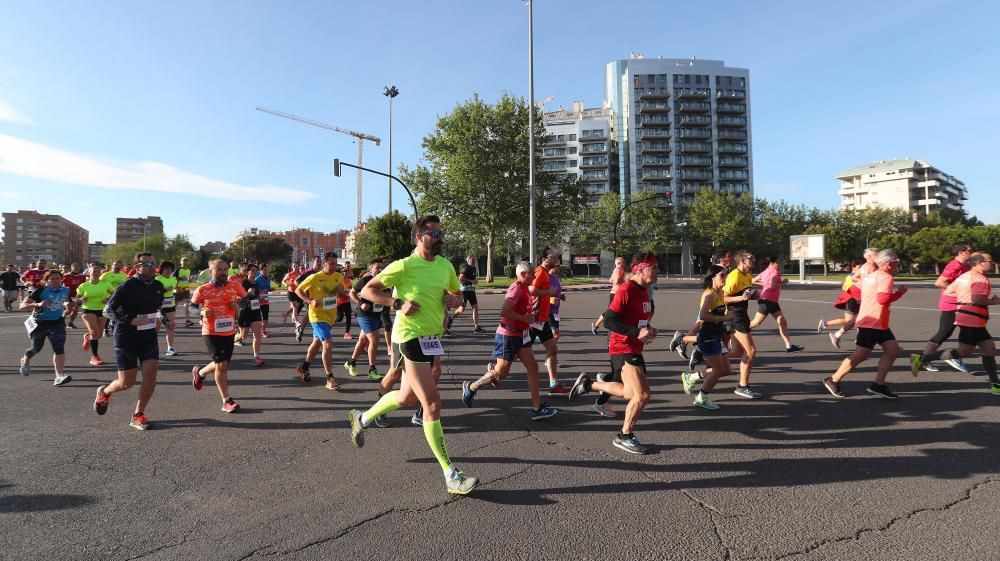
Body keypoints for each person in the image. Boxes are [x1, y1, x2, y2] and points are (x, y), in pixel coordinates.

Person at [349, 215, 478, 495]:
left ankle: (363, 418)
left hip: (432, 338)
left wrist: (455, 301)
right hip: (409, 336)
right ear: (420, 237)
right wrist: (396, 302)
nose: (440, 236)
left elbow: (457, 296)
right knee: (432, 404)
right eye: (434, 233)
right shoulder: (404, 266)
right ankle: (451, 474)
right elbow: (369, 290)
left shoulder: (445, 266)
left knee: (407, 398)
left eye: (442, 231)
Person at [569, 253, 659, 454]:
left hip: (634, 346)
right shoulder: (626, 290)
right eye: (654, 268)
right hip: (622, 347)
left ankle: (588, 384)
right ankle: (624, 436)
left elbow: (637, 319)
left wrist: (648, 329)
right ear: (640, 270)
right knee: (643, 395)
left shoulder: (645, 291)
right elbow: (609, 320)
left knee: (629, 393)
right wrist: (637, 332)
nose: (658, 272)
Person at [461, 261, 559, 420]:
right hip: (508, 335)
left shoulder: (526, 288)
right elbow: (504, 312)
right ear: (523, 275)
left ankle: (537, 408)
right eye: (532, 274)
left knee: (533, 367)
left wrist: (530, 312)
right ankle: (471, 387)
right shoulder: (516, 289)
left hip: (522, 334)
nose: (535, 276)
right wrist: (524, 317)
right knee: (501, 372)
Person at [93, 253, 165, 430]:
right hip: (126, 336)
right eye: (146, 263)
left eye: (153, 263)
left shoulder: (158, 285)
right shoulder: (128, 285)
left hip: (148, 336)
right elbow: (107, 310)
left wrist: (160, 319)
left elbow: (157, 308)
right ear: (137, 266)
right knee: (127, 383)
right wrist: (129, 320)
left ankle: (138, 415)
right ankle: (105, 392)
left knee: (151, 375)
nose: (150, 266)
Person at [822, 249, 906, 399]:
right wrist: (899, 293)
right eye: (896, 261)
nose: (898, 263)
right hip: (872, 322)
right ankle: (832, 380)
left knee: (893, 350)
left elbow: (855, 289)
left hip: (878, 322)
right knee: (859, 356)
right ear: (888, 264)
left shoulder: (871, 276)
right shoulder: (885, 277)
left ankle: (878, 385)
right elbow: (882, 299)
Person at [924, 252, 1000, 394]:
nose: (992, 262)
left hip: (968, 317)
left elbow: (948, 292)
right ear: (979, 263)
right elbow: (977, 299)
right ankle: (923, 359)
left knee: (988, 349)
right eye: (989, 260)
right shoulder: (980, 279)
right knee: (965, 352)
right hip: (973, 319)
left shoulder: (963, 277)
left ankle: (996, 384)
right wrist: (994, 301)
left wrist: (963, 299)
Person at [190, 259, 245, 413]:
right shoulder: (202, 289)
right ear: (210, 271)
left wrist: (238, 305)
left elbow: (246, 300)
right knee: (222, 365)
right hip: (211, 331)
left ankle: (200, 373)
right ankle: (226, 401)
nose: (223, 272)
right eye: (219, 269)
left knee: (222, 363)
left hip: (228, 331)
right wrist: (201, 312)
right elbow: (191, 307)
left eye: (225, 269)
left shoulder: (235, 286)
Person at [910, 243, 974, 374]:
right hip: (952, 304)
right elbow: (939, 282)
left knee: (956, 332)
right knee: (945, 332)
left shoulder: (964, 266)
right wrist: (959, 292)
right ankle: (948, 355)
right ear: (962, 252)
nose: (972, 252)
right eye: (970, 250)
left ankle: (935, 357)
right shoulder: (954, 265)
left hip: (961, 304)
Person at [680, 265, 737, 410]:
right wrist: (724, 318)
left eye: (726, 275)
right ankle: (701, 398)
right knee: (718, 371)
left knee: (726, 370)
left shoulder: (720, 293)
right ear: (713, 277)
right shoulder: (709, 294)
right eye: (722, 275)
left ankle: (691, 377)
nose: (725, 278)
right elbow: (703, 316)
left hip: (717, 335)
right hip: (708, 335)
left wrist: (727, 324)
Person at [670, 249, 734, 366]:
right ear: (722, 259)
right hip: (712, 308)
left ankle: (697, 352)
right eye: (729, 256)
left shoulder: (723, 274)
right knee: (704, 328)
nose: (731, 258)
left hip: (717, 309)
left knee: (719, 334)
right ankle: (685, 341)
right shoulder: (718, 271)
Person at [295, 252, 347, 388]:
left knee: (316, 343)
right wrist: (309, 301)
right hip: (317, 316)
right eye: (331, 264)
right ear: (324, 264)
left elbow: (341, 293)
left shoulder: (338, 276)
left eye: (336, 264)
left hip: (330, 315)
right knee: (327, 344)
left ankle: (304, 367)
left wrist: (342, 293)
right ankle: (330, 378)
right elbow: (298, 290)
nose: (334, 266)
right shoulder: (314, 277)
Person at [18, 269, 71, 385]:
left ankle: (59, 376)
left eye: (58, 278)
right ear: (47, 280)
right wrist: (38, 304)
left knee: (59, 347)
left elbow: (67, 301)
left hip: (57, 322)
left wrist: (68, 305)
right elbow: (22, 306)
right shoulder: (40, 291)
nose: (56, 280)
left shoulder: (66, 290)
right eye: (52, 279)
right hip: (39, 323)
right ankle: (25, 360)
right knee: (35, 348)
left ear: (61, 279)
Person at [721, 251, 762, 399]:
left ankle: (697, 373)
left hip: (742, 314)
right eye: (750, 258)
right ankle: (742, 386)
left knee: (738, 352)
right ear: (741, 261)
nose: (753, 260)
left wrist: (753, 296)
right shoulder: (734, 276)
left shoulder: (748, 274)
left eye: (753, 257)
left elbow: (743, 295)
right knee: (751, 351)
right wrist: (741, 297)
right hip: (733, 316)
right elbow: (722, 298)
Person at [819, 248, 879, 348]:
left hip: (862, 297)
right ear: (869, 257)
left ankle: (847, 336)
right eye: (876, 255)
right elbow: (853, 278)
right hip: (853, 297)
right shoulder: (866, 267)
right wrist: (866, 281)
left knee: (859, 320)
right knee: (855, 320)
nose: (878, 257)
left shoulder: (873, 267)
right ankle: (835, 332)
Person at [530, 248, 570, 396]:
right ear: (544, 259)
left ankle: (553, 384)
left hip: (543, 319)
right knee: (514, 354)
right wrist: (548, 293)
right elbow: (531, 289)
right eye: (552, 256)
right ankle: (494, 370)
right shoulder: (540, 271)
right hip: (533, 320)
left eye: (555, 256)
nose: (555, 258)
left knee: (552, 349)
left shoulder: (547, 273)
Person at [748, 257, 804, 353]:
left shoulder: (765, 271)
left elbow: (753, 280)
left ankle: (789, 346)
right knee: (756, 323)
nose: (780, 265)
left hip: (772, 301)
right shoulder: (774, 272)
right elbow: (774, 286)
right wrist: (784, 282)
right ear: (772, 263)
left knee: (782, 321)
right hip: (766, 301)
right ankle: (736, 332)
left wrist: (765, 284)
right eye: (778, 263)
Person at [345, 259, 387, 380]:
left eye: (382, 267)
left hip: (376, 314)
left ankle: (351, 363)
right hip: (364, 314)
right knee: (374, 341)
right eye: (377, 267)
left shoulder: (385, 280)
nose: (380, 270)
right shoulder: (365, 280)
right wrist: (360, 303)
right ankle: (372, 370)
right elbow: (352, 293)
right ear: (371, 269)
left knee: (363, 340)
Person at [818, 260, 864, 349]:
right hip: (852, 300)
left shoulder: (854, 276)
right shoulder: (852, 277)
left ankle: (826, 324)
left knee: (856, 320)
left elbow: (844, 287)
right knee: (851, 321)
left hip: (857, 301)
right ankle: (831, 329)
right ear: (853, 267)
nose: (861, 268)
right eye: (859, 267)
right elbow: (846, 288)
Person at [77, 264, 114, 366]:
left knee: (98, 334)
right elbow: (76, 298)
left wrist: (108, 299)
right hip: (88, 309)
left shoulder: (105, 284)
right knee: (94, 332)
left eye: (98, 271)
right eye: (94, 271)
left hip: (102, 310)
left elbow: (114, 294)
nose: (96, 273)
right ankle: (95, 357)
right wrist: (81, 299)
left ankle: (88, 337)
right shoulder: (84, 286)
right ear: (89, 273)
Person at [234, 263, 266, 366]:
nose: (255, 272)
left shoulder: (256, 283)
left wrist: (260, 298)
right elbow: (237, 299)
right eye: (252, 270)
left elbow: (256, 296)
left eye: (256, 270)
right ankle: (232, 339)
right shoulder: (242, 283)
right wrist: (247, 293)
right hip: (245, 311)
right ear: (247, 272)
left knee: (257, 335)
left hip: (255, 311)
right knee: (243, 336)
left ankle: (256, 357)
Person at [447, 255, 484, 334]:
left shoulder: (474, 268)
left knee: (475, 308)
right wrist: (472, 281)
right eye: (472, 260)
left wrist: (474, 281)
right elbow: (460, 278)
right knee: (461, 309)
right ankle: (451, 318)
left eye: (474, 260)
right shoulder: (466, 268)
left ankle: (476, 326)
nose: (473, 261)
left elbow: (471, 278)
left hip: (471, 291)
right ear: (468, 261)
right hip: (465, 291)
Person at [592, 256, 626, 334]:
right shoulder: (618, 270)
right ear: (616, 263)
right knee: (610, 312)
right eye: (620, 263)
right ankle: (596, 325)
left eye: (623, 263)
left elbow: (611, 280)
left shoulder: (616, 270)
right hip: (616, 293)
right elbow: (617, 281)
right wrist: (626, 277)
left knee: (615, 311)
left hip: (615, 293)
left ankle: (597, 325)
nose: (622, 264)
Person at [293, 256, 323, 342]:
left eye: (320, 261)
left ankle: (301, 329)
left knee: (310, 314)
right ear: (313, 262)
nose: (319, 263)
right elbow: (296, 281)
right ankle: (307, 331)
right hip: (309, 297)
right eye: (317, 261)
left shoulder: (321, 272)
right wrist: (304, 289)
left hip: (319, 297)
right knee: (311, 313)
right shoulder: (308, 272)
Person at [155, 261, 179, 357]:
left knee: (171, 326)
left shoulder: (173, 279)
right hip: (159, 307)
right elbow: (155, 292)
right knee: (156, 328)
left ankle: (170, 348)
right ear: (161, 270)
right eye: (166, 269)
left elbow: (172, 290)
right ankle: (151, 347)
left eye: (170, 269)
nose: (168, 270)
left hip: (170, 306)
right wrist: (165, 290)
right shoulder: (157, 279)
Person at [62, 263, 86, 329]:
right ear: (71, 268)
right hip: (68, 295)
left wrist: (83, 295)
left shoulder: (82, 276)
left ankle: (70, 323)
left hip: (77, 296)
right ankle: (62, 318)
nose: (77, 268)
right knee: (69, 309)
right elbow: (60, 285)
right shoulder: (66, 276)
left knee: (75, 310)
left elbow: (84, 286)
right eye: (75, 267)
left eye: (78, 267)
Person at [174, 257, 196, 328]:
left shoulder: (188, 270)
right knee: (175, 306)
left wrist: (190, 280)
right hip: (178, 289)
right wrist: (180, 279)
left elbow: (187, 279)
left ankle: (187, 321)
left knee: (187, 304)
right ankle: (169, 319)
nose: (185, 262)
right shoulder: (178, 269)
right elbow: (172, 278)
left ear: (188, 262)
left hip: (186, 289)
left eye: (186, 261)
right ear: (181, 262)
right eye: (183, 261)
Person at [282, 262, 303, 326]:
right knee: (295, 306)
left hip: (298, 292)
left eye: (296, 266)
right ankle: (296, 321)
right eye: (294, 266)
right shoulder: (289, 274)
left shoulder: (300, 274)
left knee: (299, 305)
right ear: (292, 267)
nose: (295, 267)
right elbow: (283, 281)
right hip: (291, 292)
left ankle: (286, 314)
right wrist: (286, 284)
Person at [335, 270, 355, 340]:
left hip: (347, 301)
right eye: (344, 273)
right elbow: (338, 292)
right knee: (339, 318)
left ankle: (346, 333)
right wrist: (346, 292)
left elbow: (350, 289)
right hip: (339, 302)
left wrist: (349, 292)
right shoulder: (338, 280)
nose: (345, 274)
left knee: (348, 318)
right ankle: (328, 323)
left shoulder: (348, 280)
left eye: (346, 273)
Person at [255, 264, 273, 338]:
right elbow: (255, 290)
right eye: (264, 269)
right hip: (258, 301)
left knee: (265, 318)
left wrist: (270, 289)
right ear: (260, 270)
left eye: (267, 269)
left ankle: (263, 331)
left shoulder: (268, 279)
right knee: (258, 318)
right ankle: (257, 331)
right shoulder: (257, 279)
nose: (266, 271)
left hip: (265, 301)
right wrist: (260, 292)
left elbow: (268, 288)